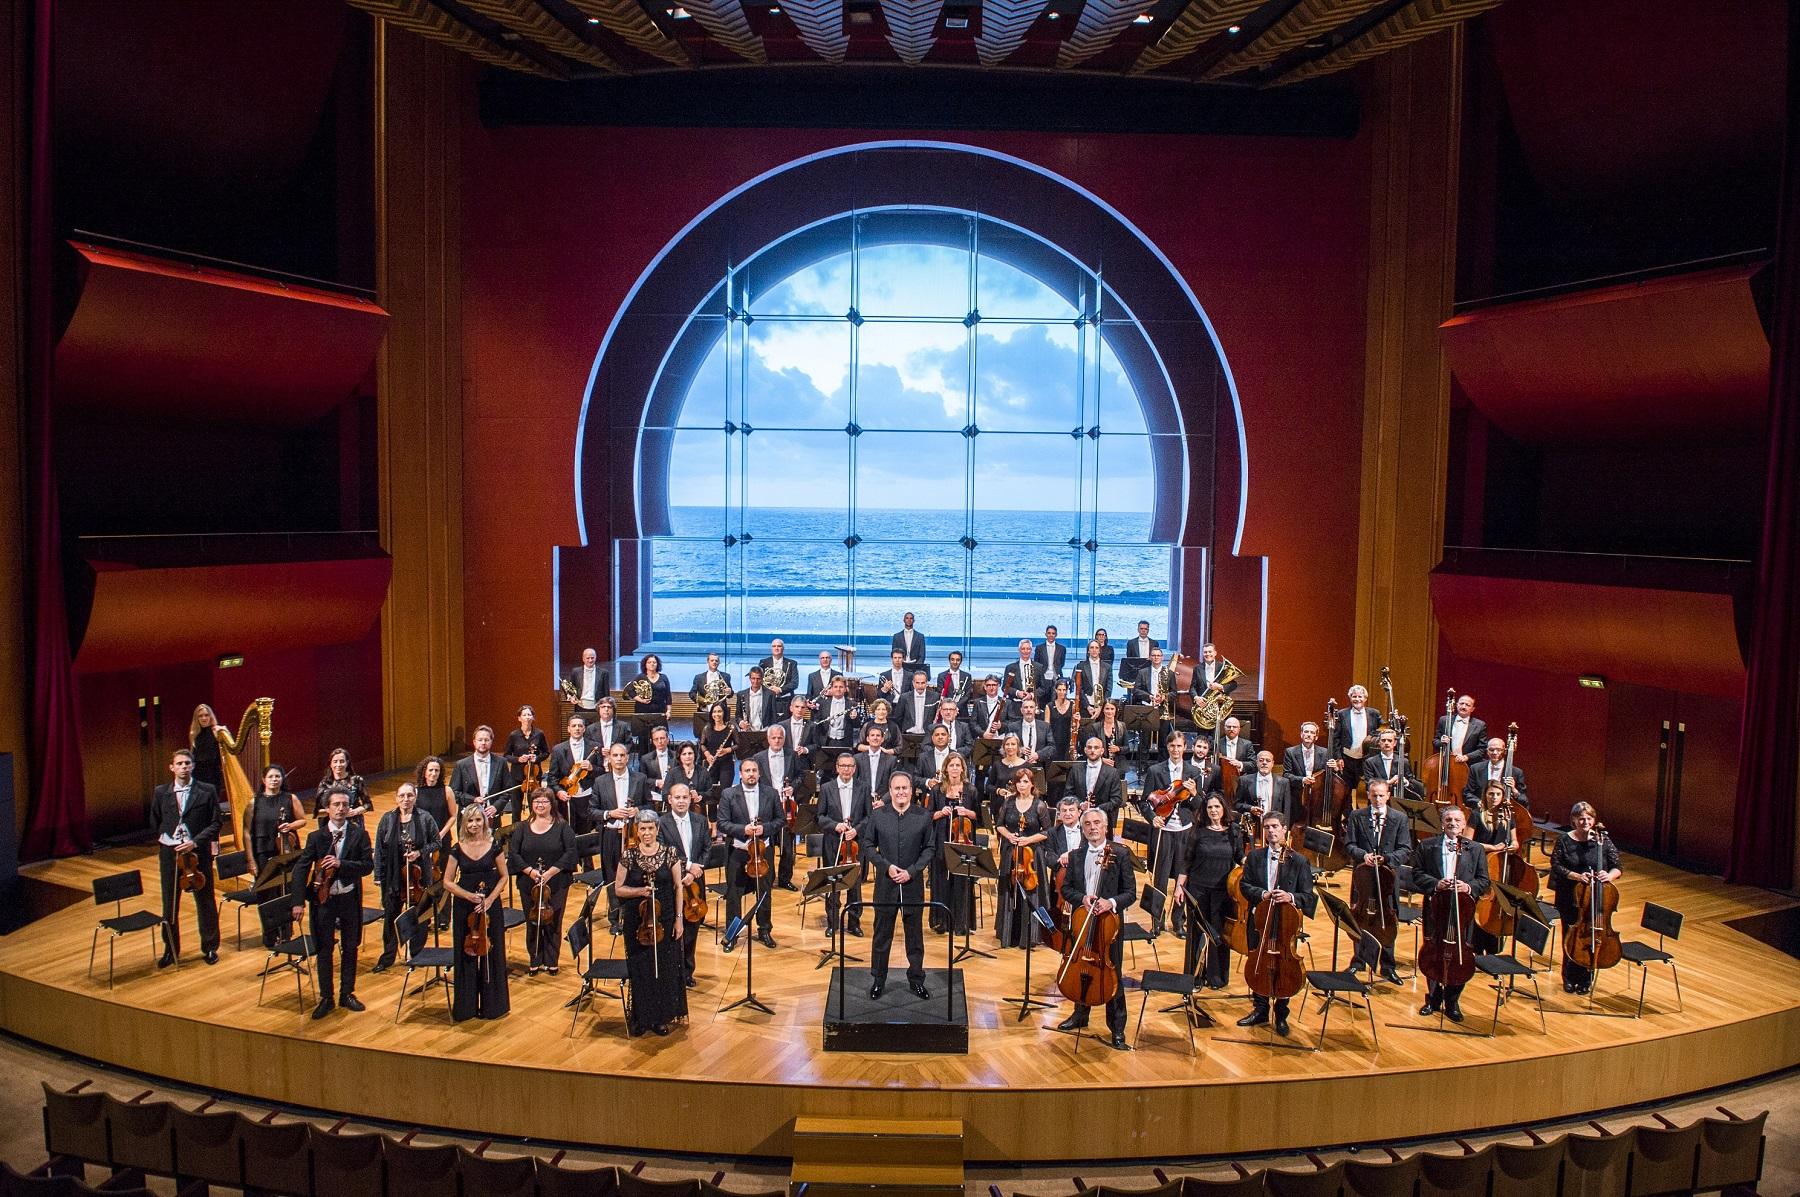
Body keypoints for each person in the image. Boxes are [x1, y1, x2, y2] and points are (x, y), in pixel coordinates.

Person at [1055, 806, 1135, 1050]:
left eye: (1096, 823)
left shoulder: (1120, 854)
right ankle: (1081, 1014)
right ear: (1083, 828)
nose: (1092, 827)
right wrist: (1083, 899)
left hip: (1108, 927)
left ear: (1105, 826)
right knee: (1081, 968)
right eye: (1087, 824)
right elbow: (1066, 888)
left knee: (1113, 977)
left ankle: (1117, 1029)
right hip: (1082, 921)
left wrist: (1109, 902)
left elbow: (1130, 893)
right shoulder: (1077, 855)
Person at [288, 786, 373, 1017]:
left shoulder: (359, 834)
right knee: (324, 949)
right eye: (336, 805)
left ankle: (347, 993)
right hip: (323, 900)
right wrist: (298, 902)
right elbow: (301, 869)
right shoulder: (316, 837)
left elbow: (368, 866)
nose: (341, 809)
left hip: (348, 898)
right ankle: (327, 997)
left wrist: (341, 865)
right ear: (327, 808)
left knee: (350, 947)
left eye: (345, 805)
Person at [1236, 810, 1313, 1036]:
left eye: (1275, 827)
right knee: (1259, 962)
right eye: (1267, 827)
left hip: (1285, 925)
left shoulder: (1299, 861)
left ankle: (1281, 1014)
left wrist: (1291, 897)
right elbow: (1245, 886)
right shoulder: (1255, 857)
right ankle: (1260, 1009)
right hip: (1259, 921)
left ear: (1284, 830)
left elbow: (1308, 896)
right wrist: (1262, 894)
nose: (1271, 831)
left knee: (1284, 967)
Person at [1412, 804, 1489, 1022]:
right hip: (1436, 907)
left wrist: (1468, 887)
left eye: (1457, 820)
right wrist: (1437, 884)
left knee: (1460, 953)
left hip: (1463, 910)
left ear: (1464, 825)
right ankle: (1433, 999)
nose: (1453, 824)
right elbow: (1417, 874)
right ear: (1442, 824)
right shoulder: (1427, 846)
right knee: (1432, 950)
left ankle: (1452, 1001)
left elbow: (1484, 880)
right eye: (1448, 820)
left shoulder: (1475, 849)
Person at [863, 772, 935, 1000]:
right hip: (886, 884)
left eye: (905, 788)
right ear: (890, 791)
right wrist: (886, 867)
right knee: (882, 935)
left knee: (914, 936)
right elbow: (866, 845)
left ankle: (916, 980)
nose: (901, 792)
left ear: (911, 791)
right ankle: (878, 980)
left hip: (912, 884)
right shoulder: (878, 815)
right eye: (897, 788)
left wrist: (912, 871)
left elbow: (930, 849)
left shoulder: (923, 816)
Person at [617, 810, 689, 1035]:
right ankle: (641, 1017)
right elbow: (619, 888)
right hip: (638, 922)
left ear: (657, 830)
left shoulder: (670, 853)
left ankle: (660, 1017)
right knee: (641, 969)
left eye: (650, 828)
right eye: (642, 829)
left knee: (665, 968)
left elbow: (678, 887)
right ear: (636, 831)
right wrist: (639, 891)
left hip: (665, 918)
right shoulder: (629, 855)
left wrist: (679, 920)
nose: (646, 833)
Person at [151, 748, 222, 967]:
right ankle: (171, 950)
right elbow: (155, 821)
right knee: (169, 904)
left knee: (205, 902)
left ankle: (210, 947)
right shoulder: (161, 792)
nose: (183, 767)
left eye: (187, 763)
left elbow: (216, 822)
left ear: (193, 766)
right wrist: (169, 839)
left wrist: (195, 841)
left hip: (197, 854)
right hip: (170, 854)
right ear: (172, 767)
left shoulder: (207, 790)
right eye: (179, 764)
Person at [443, 805, 510, 1022]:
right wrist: (467, 896)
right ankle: (466, 1007)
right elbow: (447, 882)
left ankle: (494, 1007)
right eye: (470, 821)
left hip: (490, 907)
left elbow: (503, 877)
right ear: (464, 824)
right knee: (466, 955)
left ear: (484, 821)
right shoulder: (457, 848)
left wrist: (489, 900)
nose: (474, 825)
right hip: (465, 907)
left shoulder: (494, 846)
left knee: (493, 952)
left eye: (478, 820)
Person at [1549, 801, 1621, 995]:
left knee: (1593, 937)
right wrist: (1576, 876)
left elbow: (1617, 866)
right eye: (1581, 819)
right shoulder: (1565, 840)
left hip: (1595, 899)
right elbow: (1556, 865)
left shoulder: (1602, 840)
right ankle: (1569, 977)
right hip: (1570, 896)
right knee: (1571, 936)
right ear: (1573, 820)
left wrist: (1610, 875)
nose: (1585, 822)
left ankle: (1586, 978)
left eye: (1589, 818)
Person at [1343, 779, 1410, 983]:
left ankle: (1388, 966)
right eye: (1374, 795)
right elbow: (1349, 845)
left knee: (1388, 919)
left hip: (1387, 878)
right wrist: (1363, 855)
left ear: (1388, 795)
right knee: (1360, 916)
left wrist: (1387, 859)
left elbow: (1406, 849)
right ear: (1368, 796)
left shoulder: (1400, 818)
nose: (1378, 799)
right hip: (1363, 876)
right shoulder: (1357, 816)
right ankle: (1358, 961)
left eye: (1381, 795)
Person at [1175, 794, 1244, 989]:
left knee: (1219, 935)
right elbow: (1187, 861)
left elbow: (1240, 857)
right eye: (1210, 807)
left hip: (1223, 892)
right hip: (1198, 889)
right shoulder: (1198, 831)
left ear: (1224, 809)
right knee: (1196, 934)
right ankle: (1194, 976)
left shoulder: (1234, 831)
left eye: (1217, 807)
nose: (1213, 810)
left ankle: (1217, 977)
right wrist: (1179, 887)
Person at [371, 782, 440, 973]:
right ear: (396, 798)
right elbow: (379, 849)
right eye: (402, 796)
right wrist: (378, 875)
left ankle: (417, 954)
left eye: (409, 795)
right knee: (391, 919)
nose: (406, 799)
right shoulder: (387, 819)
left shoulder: (425, 818)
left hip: (419, 878)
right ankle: (387, 957)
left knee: (420, 918)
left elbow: (437, 842)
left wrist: (419, 852)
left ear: (415, 797)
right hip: (393, 879)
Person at [509, 787, 578, 975]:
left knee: (553, 921)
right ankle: (535, 958)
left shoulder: (562, 826)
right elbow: (513, 854)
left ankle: (551, 960)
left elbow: (570, 852)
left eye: (544, 802)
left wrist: (549, 873)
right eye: (536, 802)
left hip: (556, 882)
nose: (540, 805)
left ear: (551, 804)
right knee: (532, 921)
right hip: (528, 883)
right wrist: (530, 871)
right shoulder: (522, 827)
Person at [243, 763, 308, 948]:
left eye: (278, 776)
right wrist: (250, 859)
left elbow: (302, 820)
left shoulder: (290, 798)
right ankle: (270, 935)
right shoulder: (254, 802)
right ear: (264, 780)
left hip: (287, 850)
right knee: (267, 894)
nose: (274, 780)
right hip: (263, 852)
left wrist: (290, 826)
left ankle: (286, 933)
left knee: (287, 890)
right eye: (271, 777)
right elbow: (247, 832)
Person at [1137, 730, 1192, 937]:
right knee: (1159, 879)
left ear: (1184, 747)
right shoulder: (1155, 770)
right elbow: (1144, 802)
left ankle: (1178, 922)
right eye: (1172, 746)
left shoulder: (1193, 772)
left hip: (1185, 831)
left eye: (1179, 746)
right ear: (1167, 748)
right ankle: (1156, 920)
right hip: (1164, 831)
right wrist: (1153, 818)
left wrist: (1194, 794)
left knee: (1182, 879)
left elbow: (1197, 805)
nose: (1176, 750)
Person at [719, 758, 777, 950]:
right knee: (734, 895)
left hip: (763, 852)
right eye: (747, 770)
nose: (751, 774)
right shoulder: (728, 794)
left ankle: (764, 929)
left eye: (754, 770)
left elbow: (781, 821)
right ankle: (733, 933)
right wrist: (743, 829)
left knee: (764, 892)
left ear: (759, 773)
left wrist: (764, 828)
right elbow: (722, 823)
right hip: (739, 851)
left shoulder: (771, 793)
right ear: (740, 773)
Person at [590, 741, 648, 933]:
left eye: (622, 755)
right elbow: (592, 811)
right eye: (615, 755)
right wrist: (610, 813)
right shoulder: (600, 781)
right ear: (609, 758)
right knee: (612, 875)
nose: (619, 759)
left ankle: (633, 915)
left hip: (634, 837)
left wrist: (637, 810)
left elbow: (650, 806)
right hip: (611, 836)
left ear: (628, 757)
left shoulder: (640, 778)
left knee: (634, 875)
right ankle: (615, 917)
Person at [659, 783, 711, 986]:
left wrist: (698, 869)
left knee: (693, 925)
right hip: (674, 881)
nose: (681, 801)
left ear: (690, 799)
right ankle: (672, 971)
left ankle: (688, 971)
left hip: (696, 882)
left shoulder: (700, 820)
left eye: (685, 797)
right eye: (677, 797)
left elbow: (707, 848)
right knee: (674, 926)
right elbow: (664, 850)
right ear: (670, 800)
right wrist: (689, 867)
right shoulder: (662, 823)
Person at [994, 768, 1050, 949]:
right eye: (1019, 781)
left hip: (1032, 856)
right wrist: (1009, 836)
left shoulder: (1040, 805)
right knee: (1010, 890)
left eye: (1026, 781)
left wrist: (1029, 840)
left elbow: (1048, 832)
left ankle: (1030, 935)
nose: (1022, 785)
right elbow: (1000, 825)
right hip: (1011, 852)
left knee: (1031, 892)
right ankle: (1008, 933)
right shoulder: (1008, 802)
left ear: (1032, 784)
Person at [816, 753, 870, 937]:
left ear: (854, 769)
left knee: (854, 884)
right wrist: (835, 825)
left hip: (855, 843)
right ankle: (832, 923)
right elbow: (820, 817)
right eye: (843, 766)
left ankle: (854, 922)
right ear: (837, 768)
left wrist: (856, 830)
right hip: (833, 842)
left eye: (850, 766)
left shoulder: (863, 788)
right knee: (833, 883)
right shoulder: (826, 788)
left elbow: (868, 817)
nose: (846, 769)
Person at [188, 703, 254, 848]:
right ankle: (202, 843)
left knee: (213, 811)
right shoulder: (194, 734)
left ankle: (214, 845)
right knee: (201, 811)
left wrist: (224, 732)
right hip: (198, 777)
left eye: (206, 715)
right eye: (200, 716)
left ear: (211, 716)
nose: (204, 718)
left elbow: (230, 748)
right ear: (196, 718)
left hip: (213, 777)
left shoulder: (217, 732)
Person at [928, 752, 980, 935]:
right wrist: (941, 812)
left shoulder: (970, 790)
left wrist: (966, 812)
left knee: (961, 881)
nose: (955, 768)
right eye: (951, 765)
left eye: (958, 765)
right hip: (942, 838)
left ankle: (961, 923)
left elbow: (978, 817)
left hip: (962, 841)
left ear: (963, 769)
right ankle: (941, 921)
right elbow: (929, 816)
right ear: (946, 769)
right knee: (941, 880)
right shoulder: (937, 790)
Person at [755, 723, 805, 890]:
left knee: (787, 847)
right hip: (767, 807)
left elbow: (800, 775)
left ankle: (785, 879)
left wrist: (793, 787)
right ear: (768, 739)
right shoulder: (759, 758)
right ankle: (768, 879)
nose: (777, 741)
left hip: (787, 806)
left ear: (784, 739)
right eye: (773, 738)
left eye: (780, 738)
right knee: (767, 845)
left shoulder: (792, 755)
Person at [548, 715, 601, 846]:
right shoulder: (558, 749)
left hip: (587, 796)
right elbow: (552, 777)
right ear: (568, 729)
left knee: (586, 833)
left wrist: (591, 767)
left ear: (584, 729)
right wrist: (559, 792)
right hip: (567, 798)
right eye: (574, 726)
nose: (577, 728)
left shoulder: (594, 747)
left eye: (580, 726)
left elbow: (602, 773)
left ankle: (588, 865)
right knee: (568, 834)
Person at [1329, 685, 1383, 789]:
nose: (1357, 699)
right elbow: (1335, 738)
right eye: (1354, 696)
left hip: (1366, 758)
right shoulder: (1342, 714)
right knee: (1345, 790)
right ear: (1350, 698)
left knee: (1366, 789)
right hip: (1347, 758)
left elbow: (1383, 729)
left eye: (1360, 697)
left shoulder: (1374, 713)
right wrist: (1338, 757)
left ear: (1365, 698)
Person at [452, 725, 509, 820]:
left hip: (492, 817)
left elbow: (507, 790)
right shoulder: (461, 765)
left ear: (491, 742)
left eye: (487, 740)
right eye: (480, 740)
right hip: (468, 818)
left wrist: (496, 807)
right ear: (474, 742)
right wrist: (473, 799)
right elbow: (453, 792)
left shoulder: (501, 762)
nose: (483, 743)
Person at [1464, 736, 1530, 813]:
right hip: (1481, 813)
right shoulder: (1475, 768)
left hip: (1505, 813)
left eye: (1498, 750)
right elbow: (1467, 793)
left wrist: (1514, 791)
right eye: (1491, 750)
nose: (1495, 753)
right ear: (1487, 751)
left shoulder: (1516, 772)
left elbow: (1524, 801)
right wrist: (1479, 802)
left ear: (1505, 751)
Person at [504, 705, 551, 813]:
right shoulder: (513, 735)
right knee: (516, 809)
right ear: (519, 718)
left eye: (529, 714)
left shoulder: (539, 734)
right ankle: (516, 829)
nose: (527, 717)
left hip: (534, 776)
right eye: (524, 715)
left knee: (534, 807)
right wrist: (518, 759)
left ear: (533, 717)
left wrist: (537, 758)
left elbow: (546, 753)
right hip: (517, 776)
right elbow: (506, 755)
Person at [1234, 751, 1296, 824]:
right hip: (1253, 824)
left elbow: (1286, 810)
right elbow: (1236, 804)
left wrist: (1284, 830)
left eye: (1268, 760)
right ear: (1257, 763)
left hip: (1274, 826)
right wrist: (1250, 808)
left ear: (1272, 764)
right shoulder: (1244, 780)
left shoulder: (1284, 782)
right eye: (1261, 760)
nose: (1264, 763)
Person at [313, 747, 369, 824]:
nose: (338, 765)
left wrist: (355, 811)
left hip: (353, 823)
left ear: (347, 762)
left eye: (342, 761)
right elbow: (317, 811)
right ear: (330, 764)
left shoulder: (356, 780)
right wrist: (332, 811)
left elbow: (367, 804)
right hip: (330, 824)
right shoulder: (324, 783)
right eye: (335, 761)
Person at [1436, 693, 1488, 766]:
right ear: (1457, 705)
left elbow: (1482, 749)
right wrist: (1441, 742)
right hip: (1446, 763)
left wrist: (1466, 757)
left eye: (1467, 705)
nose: (1463, 706)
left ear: (1472, 709)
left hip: (1468, 765)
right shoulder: (1444, 720)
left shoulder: (1480, 725)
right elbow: (1435, 741)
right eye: (1461, 703)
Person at [562, 646, 610, 718]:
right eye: (588, 658)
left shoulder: (604, 673)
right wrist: (571, 697)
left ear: (595, 657)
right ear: (583, 659)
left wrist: (605, 706)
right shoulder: (576, 672)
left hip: (597, 707)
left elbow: (606, 693)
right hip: (580, 707)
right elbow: (569, 687)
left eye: (592, 658)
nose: (590, 660)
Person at [1008, 696, 1053, 767]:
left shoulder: (1045, 727)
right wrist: (1019, 750)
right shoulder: (1012, 727)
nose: (1028, 710)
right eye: (1025, 707)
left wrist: (1038, 755)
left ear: (1035, 709)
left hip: (1039, 766)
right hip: (1017, 767)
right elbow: (1005, 746)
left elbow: (1051, 747)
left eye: (1031, 707)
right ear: (1021, 710)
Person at [638, 723, 677, 805]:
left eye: (662, 738)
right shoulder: (645, 759)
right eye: (656, 739)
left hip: (675, 794)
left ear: (667, 739)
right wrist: (657, 782)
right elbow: (642, 779)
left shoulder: (677, 756)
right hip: (654, 796)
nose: (660, 741)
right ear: (652, 741)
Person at [1002, 640, 1043, 714]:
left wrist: (1031, 695)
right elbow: (1005, 687)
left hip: (1033, 707)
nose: (1025, 651)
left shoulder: (1039, 667)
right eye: (1023, 649)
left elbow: (1043, 688)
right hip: (1014, 707)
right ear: (1019, 650)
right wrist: (1017, 693)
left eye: (1028, 649)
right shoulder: (1010, 667)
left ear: (1031, 650)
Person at [1073, 639, 1110, 719]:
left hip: (1101, 707)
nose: (1094, 650)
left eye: (1096, 648)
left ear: (1100, 650)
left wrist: (1100, 707)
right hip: (1085, 706)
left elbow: (1108, 689)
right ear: (1088, 651)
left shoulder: (1107, 667)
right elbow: (1079, 688)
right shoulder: (1081, 666)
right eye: (1091, 648)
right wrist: (1087, 706)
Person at [736, 666, 776, 731]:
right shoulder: (741, 694)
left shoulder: (770, 694)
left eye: (758, 678)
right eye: (753, 678)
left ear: (762, 679)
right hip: (747, 732)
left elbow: (774, 717)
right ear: (749, 678)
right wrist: (741, 723)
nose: (755, 681)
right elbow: (738, 715)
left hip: (765, 732)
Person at [1045, 680, 1077, 759]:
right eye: (1059, 690)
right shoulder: (1049, 706)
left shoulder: (1073, 705)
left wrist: (1078, 720)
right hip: (1054, 740)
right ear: (1055, 690)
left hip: (1068, 740)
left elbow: (1075, 726)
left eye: (1064, 690)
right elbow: (1046, 727)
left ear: (1067, 690)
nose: (1062, 692)